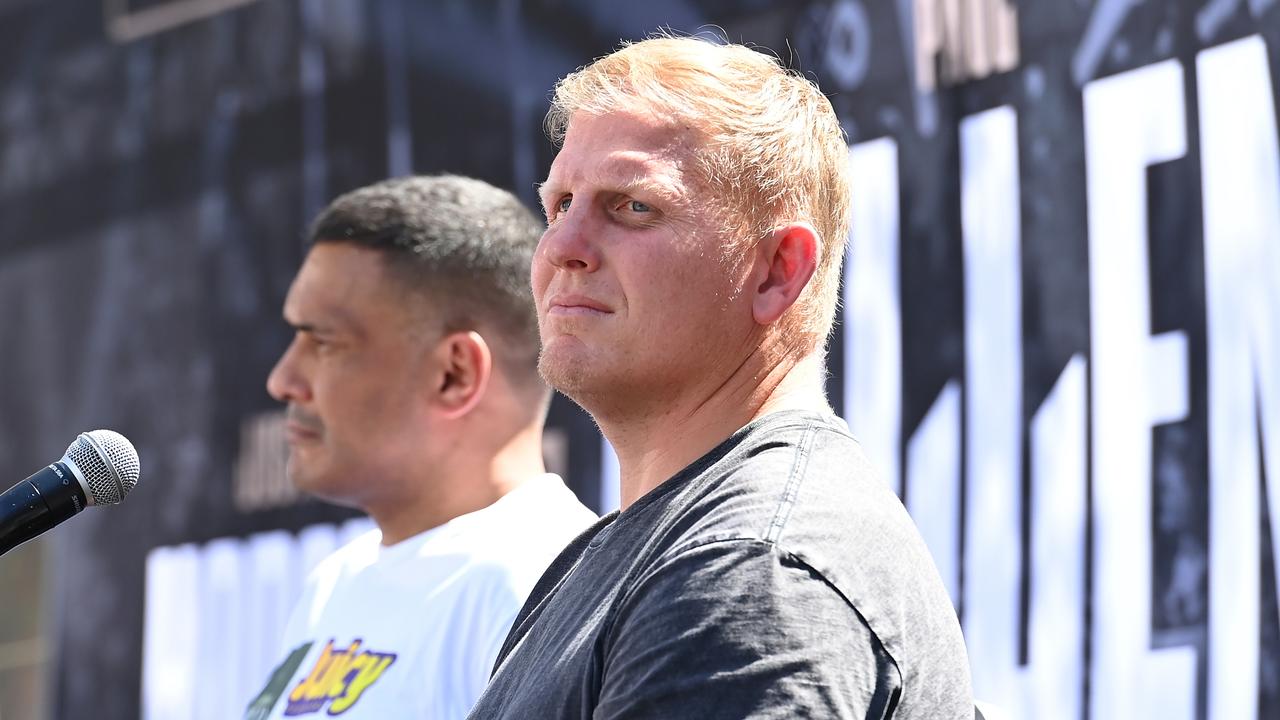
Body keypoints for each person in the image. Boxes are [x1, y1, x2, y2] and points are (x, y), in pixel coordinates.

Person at [467, 35, 972, 719]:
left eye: (632, 206)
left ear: (777, 271)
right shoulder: (665, 550)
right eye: (559, 205)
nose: (560, 247)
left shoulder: (748, 569)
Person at [244, 175, 597, 720]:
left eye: (324, 343)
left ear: (453, 374)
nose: (283, 379)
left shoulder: (545, 584)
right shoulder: (336, 581)